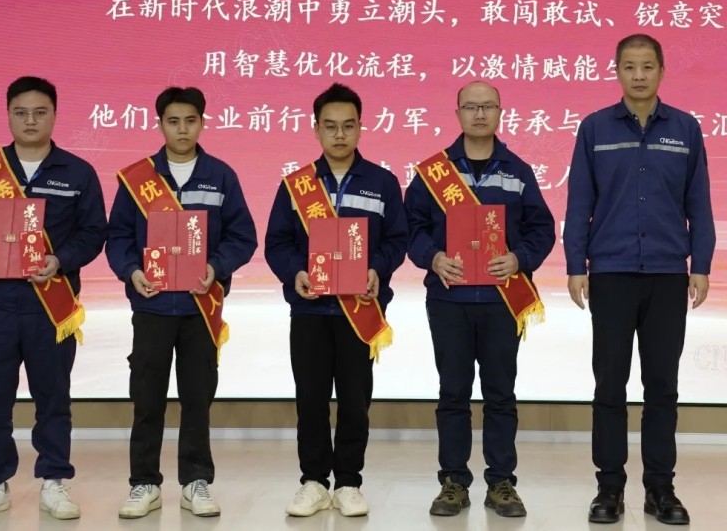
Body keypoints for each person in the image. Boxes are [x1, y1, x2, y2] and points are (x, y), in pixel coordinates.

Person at [0, 76, 108, 521]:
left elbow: (94, 233)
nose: (30, 120)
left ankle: (54, 482)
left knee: (53, 397)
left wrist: (60, 259)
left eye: (40, 112)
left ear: (54, 115)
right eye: (21, 112)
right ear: (9, 115)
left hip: (50, 304)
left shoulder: (78, 173)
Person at [564, 34, 715, 526]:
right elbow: (580, 202)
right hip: (611, 273)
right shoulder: (595, 128)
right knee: (610, 385)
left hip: (669, 274)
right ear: (617, 71)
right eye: (629, 66)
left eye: (647, 66)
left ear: (662, 70)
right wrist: (575, 264)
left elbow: (699, 204)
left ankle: (660, 489)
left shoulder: (686, 129)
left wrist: (701, 264)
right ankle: (609, 488)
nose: (639, 75)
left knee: (662, 387)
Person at [404, 80, 555, 519]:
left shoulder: (518, 171)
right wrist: (433, 258)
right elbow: (411, 228)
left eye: (488, 106)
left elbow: (542, 229)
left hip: (501, 300)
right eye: (471, 106)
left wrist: (519, 258)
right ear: (458, 114)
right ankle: (453, 482)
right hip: (449, 300)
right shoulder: (433, 173)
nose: (480, 114)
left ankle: (501, 482)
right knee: (453, 393)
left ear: (500, 112)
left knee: (500, 394)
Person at [106, 86, 257, 519]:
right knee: (147, 399)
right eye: (173, 121)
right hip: (151, 307)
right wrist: (131, 271)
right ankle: (144, 483)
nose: (182, 129)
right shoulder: (138, 179)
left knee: (197, 398)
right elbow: (118, 237)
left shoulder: (221, 176)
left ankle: (195, 481)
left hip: (199, 310)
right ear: (160, 125)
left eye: (191, 121)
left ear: (202, 123)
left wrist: (215, 265)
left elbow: (243, 236)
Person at [265, 82, 408, 517]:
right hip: (310, 309)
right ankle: (312, 481)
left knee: (354, 400)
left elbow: (397, 240)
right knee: (310, 398)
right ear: (316, 129)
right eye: (330, 126)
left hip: (359, 310)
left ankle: (348, 482)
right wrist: (296, 272)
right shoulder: (296, 185)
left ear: (361, 128)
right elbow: (277, 243)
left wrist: (376, 268)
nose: (340, 135)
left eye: (348, 126)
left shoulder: (382, 183)